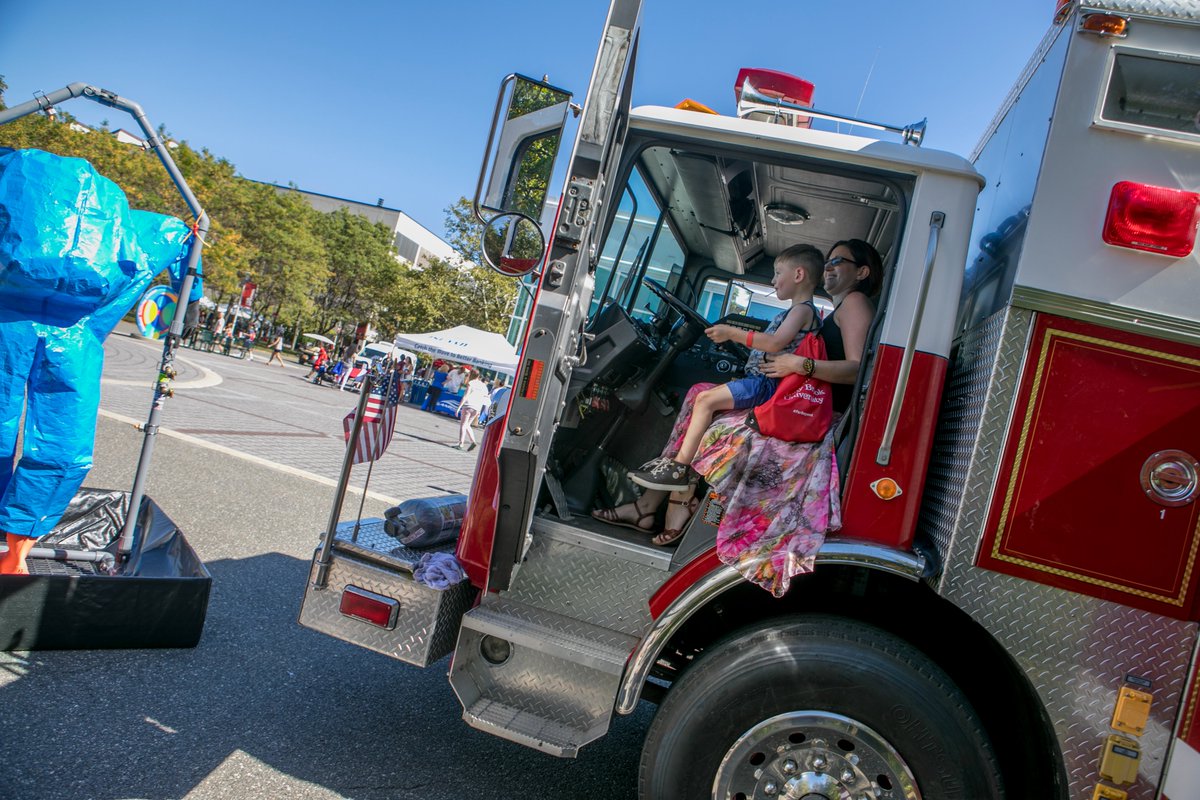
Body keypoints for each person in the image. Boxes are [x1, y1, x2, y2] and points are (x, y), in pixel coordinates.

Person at [592, 240, 881, 555]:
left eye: (838, 261)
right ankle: (654, 503)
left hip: (808, 418)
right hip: (797, 404)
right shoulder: (831, 311)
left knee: (716, 428)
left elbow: (857, 370)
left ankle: (683, 504)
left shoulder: (854, 302)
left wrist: (798, 364)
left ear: (862, 272)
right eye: (827, 261)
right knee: (699, 396)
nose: (828, 267)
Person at [626, 243, 823, 494]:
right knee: (700, 394)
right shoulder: (796, 312)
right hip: (760, 381)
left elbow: (775, 343)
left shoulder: (802, 310)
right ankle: (672, 466)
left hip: (765, 384)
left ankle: (678, 469)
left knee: (706, 400)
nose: (773, 280)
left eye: (777, 273)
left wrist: (732, 332)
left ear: (798, 275)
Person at [455, 370, 490, 451]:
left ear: (471, 375)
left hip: (468, 405)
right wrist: (479, 410)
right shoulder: (483, 386)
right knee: (467, 425)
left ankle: (461, 443)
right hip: (477, 407)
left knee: (463, 425)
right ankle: (473, 441)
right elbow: (484, 398)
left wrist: (458, 408)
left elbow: (466, 396)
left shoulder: (471, 383)